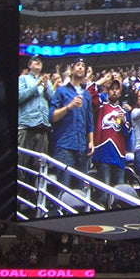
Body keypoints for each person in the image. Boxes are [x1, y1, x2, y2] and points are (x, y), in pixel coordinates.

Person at [50, 58, 94, 198]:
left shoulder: (86, 94)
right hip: (65, 146)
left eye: (83, 66)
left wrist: (91, 141)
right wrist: (69, 106)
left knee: (80, 192)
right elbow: (52, 117)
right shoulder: (61, 91)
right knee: (63, 190)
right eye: (78, 65)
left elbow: (90, 121)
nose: (80, 68)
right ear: (72, 69)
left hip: (82, 148)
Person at [91, 76, 128, 188]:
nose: (114, 91)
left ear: (120, 93)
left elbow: (127, 135)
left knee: (120, 188)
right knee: (105, 188)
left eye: (117, 89)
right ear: (108, 91)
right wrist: (102, 80)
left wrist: (123, 123)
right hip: (104, 152)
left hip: (119, 154)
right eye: (112, 89)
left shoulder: (124, 112)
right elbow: (91, 93)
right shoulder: (102, 107)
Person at [18, 55, 53, 174]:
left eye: (40, 61)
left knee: (39, 166)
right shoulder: (23, 79)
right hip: (26, 126)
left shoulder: (46, 81)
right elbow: (19, 97)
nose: (38, 62)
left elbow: (52, 99)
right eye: (35, 60)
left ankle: (35, 192)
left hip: (42, 126)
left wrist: (47, 87)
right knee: (21, 163)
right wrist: (36, 85)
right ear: (29, 65)